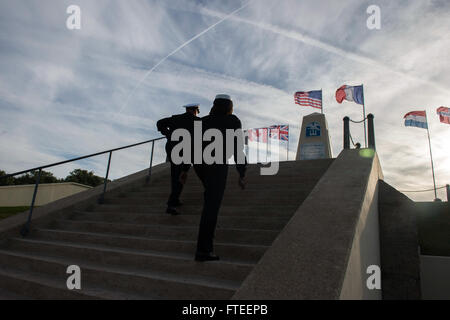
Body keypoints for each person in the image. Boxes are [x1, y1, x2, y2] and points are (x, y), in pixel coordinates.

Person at [194, 94, 247, 262]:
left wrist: (183, 170)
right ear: (229, 107)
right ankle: (204, 250)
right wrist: (241, 171)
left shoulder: (201, 121)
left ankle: (206, 241)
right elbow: (238, 146)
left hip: (199, 165)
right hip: (217, 164)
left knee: (210, 198)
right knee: (211, 206)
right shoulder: (232, 121)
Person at [156, 103, 200, 215]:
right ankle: (171, 204)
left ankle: (175, 199)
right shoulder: (198, 121)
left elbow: (160, 123)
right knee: (180, 175)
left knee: (178, 174)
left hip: (173, 148)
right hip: (185, 150)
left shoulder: (175, 118)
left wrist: (168, 134)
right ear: (195, 110)